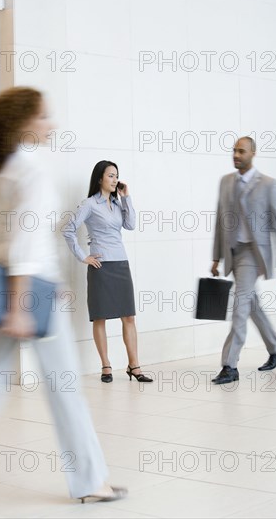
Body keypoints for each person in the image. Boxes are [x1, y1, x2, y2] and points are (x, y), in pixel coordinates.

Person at [0, 87, 127, 519]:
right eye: (44, 117)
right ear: (25, 123)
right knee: (65, 390)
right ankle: (90, 482)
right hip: (30, 288)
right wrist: (25, 303)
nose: (50, 124)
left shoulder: (1, 171)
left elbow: (14, 240)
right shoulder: (33, 170)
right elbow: (27, 242)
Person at [211, 136, 276, 385]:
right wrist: (216, 258)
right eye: (234, 150)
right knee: (250, 303)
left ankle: (229, 365)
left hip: (253, 255)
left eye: (241, 151)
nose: (236, 154)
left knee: (239, 307)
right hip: (233, 252)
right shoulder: (226, 182)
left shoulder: (268, 184)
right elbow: (219, 221)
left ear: (253, 153)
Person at [63, 161, 152, 384]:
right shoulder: (89, 204)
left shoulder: (118, 202)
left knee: (129, 317)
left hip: (121, 264)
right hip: (101, 267)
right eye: (110, 176)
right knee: (100, 318)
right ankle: (106, 366)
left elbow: (130, 225)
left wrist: (126, 197)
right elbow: (68, 229)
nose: (114, 180)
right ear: (100, 178)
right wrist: (83, 256)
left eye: (116, 176)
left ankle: (134, 366)